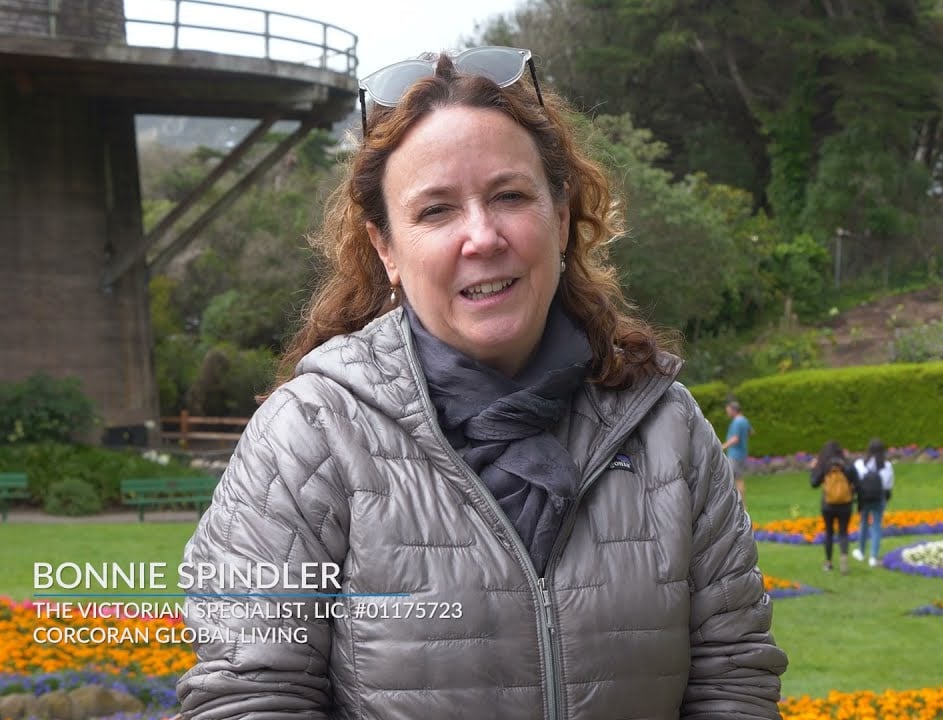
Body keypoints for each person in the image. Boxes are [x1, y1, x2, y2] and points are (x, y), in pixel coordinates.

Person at [175, 46, 786, 719]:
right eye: (436, 210)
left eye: (509, 195)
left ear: (561, 215)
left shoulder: (668, 432)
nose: (483, 236)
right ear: (386, 248)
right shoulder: (308, 439)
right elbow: (249, 699)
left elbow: (735, 680)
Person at [809, 440, 858, 573]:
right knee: (843, 531)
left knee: (829, 532)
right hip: (845, 504)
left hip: (828, 504)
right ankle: (843, 556)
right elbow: (856, 481)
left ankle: (829, 562)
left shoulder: (824, 465)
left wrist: (813, 468)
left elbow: (813, 483)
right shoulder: (846, 464)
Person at [852, 438, 895, 568]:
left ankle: (860, 551)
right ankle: (873, 556)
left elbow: (855, 481)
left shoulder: (860, 464)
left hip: (864, 498)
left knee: (863, 523)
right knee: (876, 526)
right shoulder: (887, 466)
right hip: (879, 498)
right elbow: (888, 485)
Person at [721, 400, 753, 496]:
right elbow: (751, 432)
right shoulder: (744, 420)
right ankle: (741, 506)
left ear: (734, 410)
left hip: (735, 455)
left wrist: (722, 447)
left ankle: (741, 506)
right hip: (742, 453)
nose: (727, 412)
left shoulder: (737, 422)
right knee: (738, 479)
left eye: (728, 410)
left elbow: (735, 439)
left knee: (732, 481)